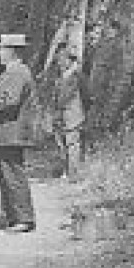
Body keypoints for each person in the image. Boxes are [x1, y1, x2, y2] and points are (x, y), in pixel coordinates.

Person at [0, 32, 37, 232]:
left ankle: (24, 219)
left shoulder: (18, 72)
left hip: (12, 131)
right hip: (5, 132)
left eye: (2, 49)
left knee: (13, 174)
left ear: (13, 52)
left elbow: (10, 99)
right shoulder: (13, 71)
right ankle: (9, 216)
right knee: (4, 174)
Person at [50, 45, 88, 181]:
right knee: (61, 145)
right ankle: (65, 172)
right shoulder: (59, 78)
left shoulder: (78, 77)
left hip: (74, 116)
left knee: (72, 145)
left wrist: (83, 113)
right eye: (58, 59)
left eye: (62, 59)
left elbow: (86, 96)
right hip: (60, 116)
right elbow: (56, 98)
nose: (59, 62)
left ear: (69, 61)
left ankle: (73, 174)